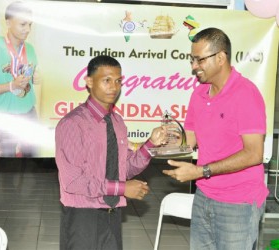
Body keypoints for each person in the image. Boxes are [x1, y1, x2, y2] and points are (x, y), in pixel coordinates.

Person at [163, 27, 268, 250]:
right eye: (192, 59)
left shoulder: (245, 94)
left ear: (221, 58)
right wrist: (162, 142)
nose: (193, 67)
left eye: (199, 60)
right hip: (204, 196)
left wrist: (201, 171)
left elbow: (254, 153)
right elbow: (188, 141)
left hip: (239, 202)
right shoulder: (199, 94)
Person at [55, 55, 171, 250]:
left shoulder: (117, 122)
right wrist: (123, 189)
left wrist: (151, 144)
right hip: (83, 215)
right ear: (89, 82)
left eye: (118, 81)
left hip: (112, 213)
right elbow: (73, 181)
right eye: (106, 80)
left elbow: (123, 169)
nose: (114, 87)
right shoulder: (72, 124)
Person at [0, 1, 40, 157]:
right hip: (4, 116)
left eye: (30, 25)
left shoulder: (31, 49)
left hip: (29, 112)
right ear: (8, 22)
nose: (27, 29)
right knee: (7, 164)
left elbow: (28, 76)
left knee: (33, 160)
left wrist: (34, 78)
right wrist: (11, 85)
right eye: (23, 24)